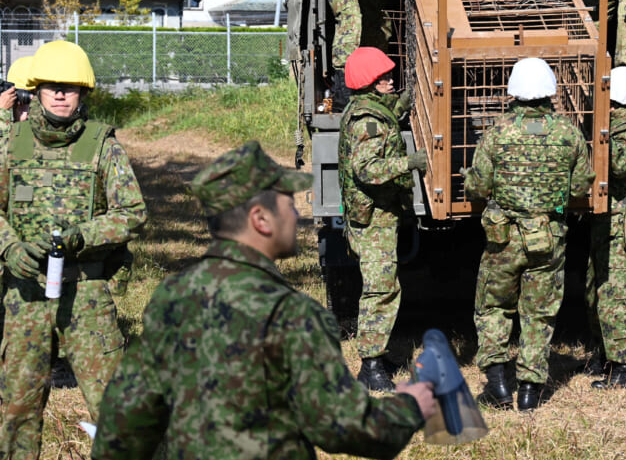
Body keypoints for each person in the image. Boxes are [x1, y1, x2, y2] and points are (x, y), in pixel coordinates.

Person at [91, 141, 437, 459]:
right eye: (288, 203)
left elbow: (125, 422)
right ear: (260, 219)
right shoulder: (293, 314)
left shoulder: (171, 298)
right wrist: (410, 406)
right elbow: (345, 427)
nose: (296, 215)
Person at [0, 40, 147, 460]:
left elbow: (133, 212)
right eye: (52, 87)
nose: (62, 94)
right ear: (37, 91)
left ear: (83, 93)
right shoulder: (11, 143)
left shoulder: (103, 146)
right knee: (17, 411)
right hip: (25, 298)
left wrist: (84, 235)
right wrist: (9, 246)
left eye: (71, 87)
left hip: (87, 295)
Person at [464, 57, 595, 411]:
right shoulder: (568, 133)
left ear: (514, 92)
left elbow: (478, 187)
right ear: (550, 90)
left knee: (493, 307)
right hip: (548, 238)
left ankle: (496, 384)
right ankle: (529, 392)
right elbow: (583, 184)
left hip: (503, 238)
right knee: (538, 315)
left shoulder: (497, 132)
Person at [337, 47, 427, 391]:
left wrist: (408, 98)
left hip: (375, 215)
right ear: (369, 83)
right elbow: (368, 170)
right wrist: (409, 163)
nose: (390, 80)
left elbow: (391, 113)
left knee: (383, 286)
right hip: (372, 219)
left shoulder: (368, 109)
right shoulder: (367, 122)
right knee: (380, 289)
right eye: (384, 78)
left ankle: (376, 354)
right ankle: (370, 367)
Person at [585, 66, 626, 390]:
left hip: (621, 228)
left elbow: (620, 165)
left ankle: (625, 370)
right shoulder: (624, 125)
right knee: (595, 293)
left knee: (614, 298)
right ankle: (606, 357)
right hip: (609, 225)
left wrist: (601, 136)